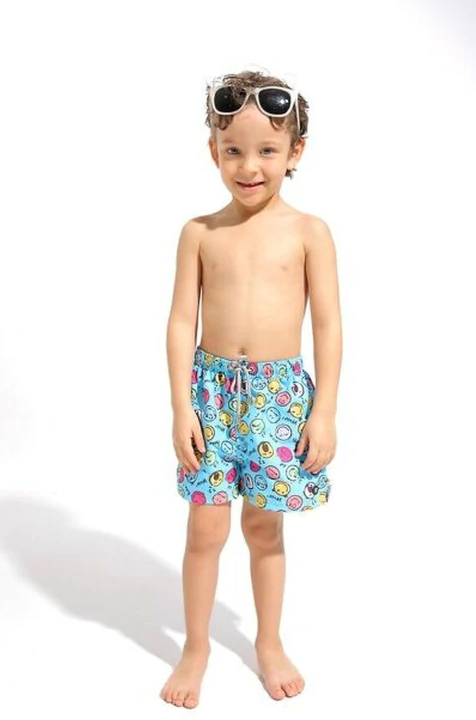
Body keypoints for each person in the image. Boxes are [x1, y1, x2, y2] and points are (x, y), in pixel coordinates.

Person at [162, 69, 342, 708]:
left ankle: (268, 642)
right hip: (211, 396)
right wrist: (181, 406)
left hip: (278, 399)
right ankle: (196, 647)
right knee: (205, 531)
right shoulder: (200, 233)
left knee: (265, 531)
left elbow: (327, 324)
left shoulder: (309, 232)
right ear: (214, 151)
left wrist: (324, 412)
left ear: (295, 152)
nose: (249, 166)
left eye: (267, 150)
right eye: (233, 149)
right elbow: (181, 322)